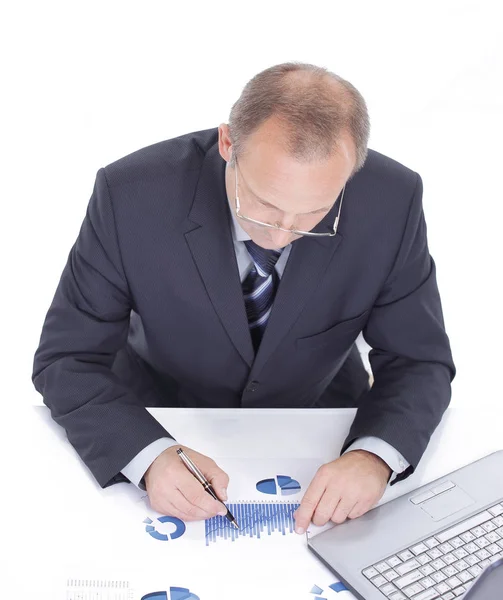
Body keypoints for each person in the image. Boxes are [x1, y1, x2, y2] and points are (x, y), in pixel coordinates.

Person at [32, 61, 455, 535]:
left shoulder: (392, 199)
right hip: (164, 407)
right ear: (228, 143)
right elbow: (66, 358)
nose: (282, 237)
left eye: (315, 213)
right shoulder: (130, 195)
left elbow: (419, 360)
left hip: (320, 418)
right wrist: (146, 455)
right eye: (265, 205)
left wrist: (374, 455)